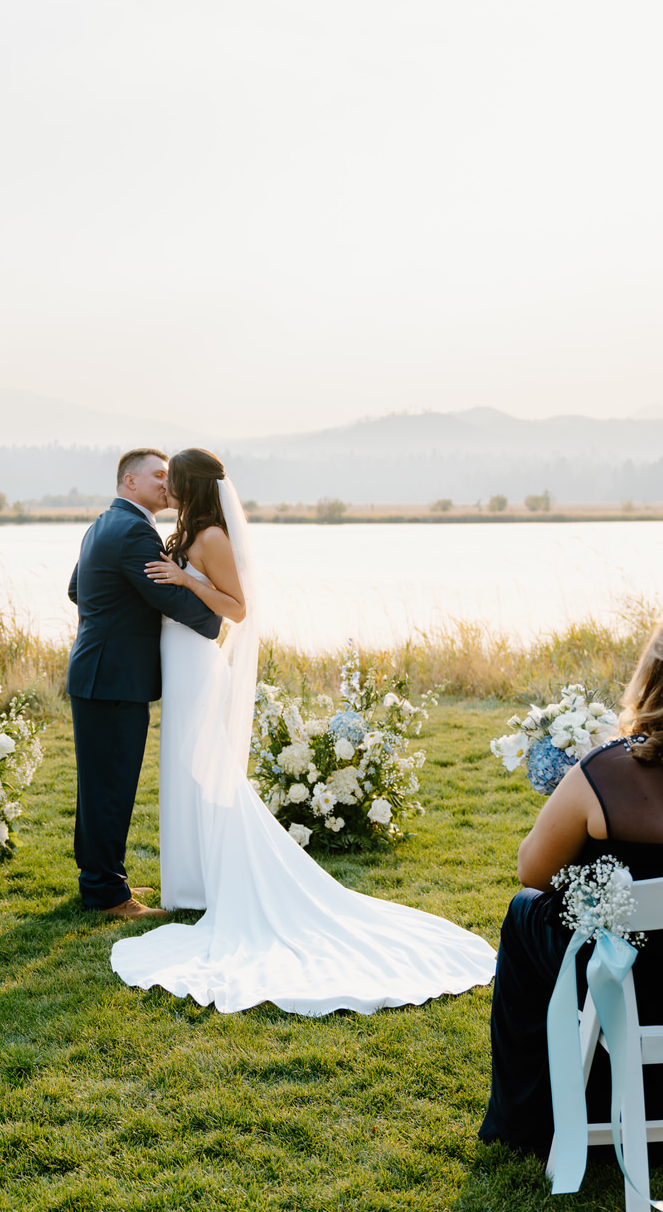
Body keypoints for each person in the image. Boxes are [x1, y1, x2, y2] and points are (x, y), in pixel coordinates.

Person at [111, 449, 497, 1014]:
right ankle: (189, 886)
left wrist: (183, 582)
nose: (165, 487)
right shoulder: (188, 530)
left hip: (197, 664)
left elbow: (238, 609)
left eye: (174, 480)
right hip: (179, 660)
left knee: (207, 771)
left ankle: (212, 882)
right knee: (184, 771)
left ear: (192, 485)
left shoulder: (212, 536)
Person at [479, 618, 663, 1157]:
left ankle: (527, 1121)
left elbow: (534, 872)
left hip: (630, 973)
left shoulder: (605, 773)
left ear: (649, 679)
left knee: (525, 911)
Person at [66, 448, 223, 919]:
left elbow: (78, 589)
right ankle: (110, 896)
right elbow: (163, 595)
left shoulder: (102, 523)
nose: (165, 482)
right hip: (113, 678)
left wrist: (112, 615)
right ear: (129, 482)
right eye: (157, 475)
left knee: (97, 787)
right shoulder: (134, 529)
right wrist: (216, 619)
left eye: (168, 475)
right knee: (110, 788)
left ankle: (95, 883)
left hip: (98, 673)